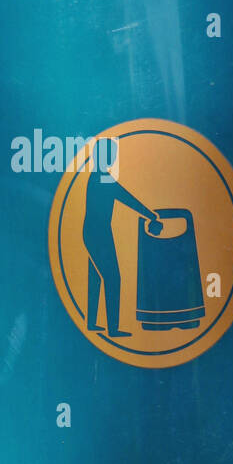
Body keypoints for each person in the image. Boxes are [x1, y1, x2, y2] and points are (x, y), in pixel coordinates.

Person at [82, 138, 157, 337]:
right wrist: (151, 215)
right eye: (112, 154)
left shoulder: (96, 175)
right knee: (113, 278)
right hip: (99, 233)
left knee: (96, 277)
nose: (114, 158)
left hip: (91, 231)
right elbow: (125, 197)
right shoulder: (103, 178)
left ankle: (91, 323)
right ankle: (113, 329)